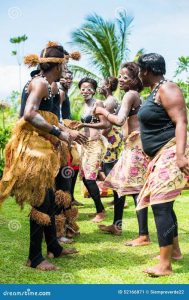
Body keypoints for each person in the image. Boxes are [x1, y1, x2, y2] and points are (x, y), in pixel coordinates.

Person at [0, 42, 87, 271]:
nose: (65, 70)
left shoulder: (50, 86)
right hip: (33, 150)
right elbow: (29, 114)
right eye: (64, 65)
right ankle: (34, 257)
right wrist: (59, 132)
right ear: (57, 66)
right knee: (42, 200)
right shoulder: (39, 83)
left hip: (45, 148)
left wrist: (68, 133)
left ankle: (53, 247)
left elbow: (50, 119)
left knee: (48, 199)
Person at [136, 53, 189, 277]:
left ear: (146, 71)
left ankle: (165, 266)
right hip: (160, 154)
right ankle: (174, 252)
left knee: (160, 206)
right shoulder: (155, 92)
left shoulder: (168, 88)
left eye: (140, 71)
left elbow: (181, 121)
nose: (139, 75)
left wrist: (179, 155)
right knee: (164, 203)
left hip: (171, 151)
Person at [93, 63, 150, 245]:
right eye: (120, 76)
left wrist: (102, 110)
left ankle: (143, 235)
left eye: (126, 77)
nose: (121, 79)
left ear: (135, 80)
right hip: (131, 146)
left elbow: (119, 120)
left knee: (136, 190)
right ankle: (116, 225)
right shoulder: (135, 95)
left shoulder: (130, 94)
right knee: (119, 186)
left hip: (135, 147)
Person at [76, 77, 110, 223]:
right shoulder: (84, 105)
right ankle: (100, 209)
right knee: (85, 178)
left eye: (89, 88)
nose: (85, 91)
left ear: (94, 90)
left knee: (90, 179)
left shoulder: (98, 103)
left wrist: (86, 125)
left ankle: (100, 212)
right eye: (83, 88)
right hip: (84, 145)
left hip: (95, 145)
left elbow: (105, 124)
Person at [98, 77, 128, 209]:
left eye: (102, 84)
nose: (99, 86)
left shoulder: (109, 101)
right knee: (110, 170)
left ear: (108, 85)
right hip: (111, 137)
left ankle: (121, 199)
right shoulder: (110, 100)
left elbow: (108, 124)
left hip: (110, 138)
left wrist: (100, 137)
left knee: (110, 171)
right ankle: (118, 199)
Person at [59, 69, 83, 206]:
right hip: (64, 133)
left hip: (68, 131)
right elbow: (58, 116)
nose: (68, 80)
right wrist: (66, 131)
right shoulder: (61, 93)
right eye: (65, 78)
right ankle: (66, 200)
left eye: (70, 78)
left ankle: (70, 198)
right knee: (69, 166)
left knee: (74, 165)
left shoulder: (65, 93)